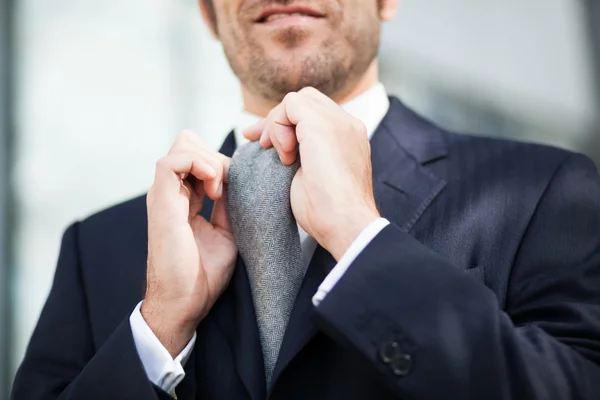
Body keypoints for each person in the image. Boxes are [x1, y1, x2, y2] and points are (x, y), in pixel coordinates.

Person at [12, 0, 600, 398]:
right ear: (207, 13)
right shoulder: (97, 247)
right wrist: (160, 325)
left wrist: (362, 240)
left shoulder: (547, 193)